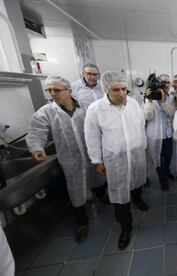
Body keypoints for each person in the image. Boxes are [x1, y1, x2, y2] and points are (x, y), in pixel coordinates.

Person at [84, 70, 148, 250]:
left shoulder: (133, 103)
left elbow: (141, 126)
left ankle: (138, 198)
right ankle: (125, 228)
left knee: (137, 181)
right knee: (120, 194)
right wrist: (97, 160)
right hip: (115, 158)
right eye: (116, 90)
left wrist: (143, 147)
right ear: (106, 90)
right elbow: (91, 136)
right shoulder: (96, 109)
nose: (121, 94)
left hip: (135, 153)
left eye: (124, 89)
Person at [26, 75, 92, 243]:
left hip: (90, 153)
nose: (52, 93)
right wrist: (37, 147)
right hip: (70, 157)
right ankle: (81, 222)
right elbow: (36, 132)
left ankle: (99, 197)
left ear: (69, 90)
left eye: (56, 90)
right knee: (75, 188)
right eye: (50, 90)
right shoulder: (47, 112)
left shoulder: (85, 107)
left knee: (96, 178)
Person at [71, 63, 108, 203]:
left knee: (106, 156)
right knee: (92, 160)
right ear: (83, 74)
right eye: (89, 74)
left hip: (104, 128)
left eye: (95, 74)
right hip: (85, 129)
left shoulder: (102, 87)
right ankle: (97, 191)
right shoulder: (74, 88)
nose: (92, 77)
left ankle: (105, 186)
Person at [144, 74, 176, 190]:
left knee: (167, 157)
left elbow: (171, 113)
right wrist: (149, 101)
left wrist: (163, 101)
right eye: (162, 82)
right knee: (157, 159)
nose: (164, 85)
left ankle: (167, 171)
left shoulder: (171, 98)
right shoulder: (149, 98)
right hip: (155, 135)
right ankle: (163, 179)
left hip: (168, 134)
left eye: (167, 83)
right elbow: (147, 117)